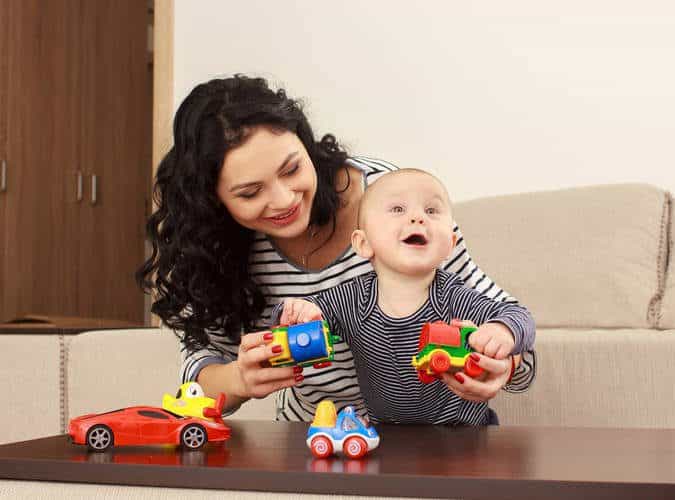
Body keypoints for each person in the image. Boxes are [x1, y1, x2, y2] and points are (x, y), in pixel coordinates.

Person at [136, 75, 536, 421]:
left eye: (291, 168)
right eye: (250, 192)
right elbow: (198, 376)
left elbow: (511, 334)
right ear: (215, 201)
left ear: (306, 145)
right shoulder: (219, 245)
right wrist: (241, 379)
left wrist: (500, 361)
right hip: (314, 438)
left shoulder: (397, 202)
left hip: (431, 440)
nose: (283, 199)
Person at [273, 169, 535, 425]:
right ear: (363, 243)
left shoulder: (455, 298)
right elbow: (307, 311)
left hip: (463, 437)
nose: (417, 218)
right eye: (398, 209)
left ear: (450, 245)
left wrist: (502, 331)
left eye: (431, 211)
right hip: (389, 439)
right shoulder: (352, 300)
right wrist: (298, 310)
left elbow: (519, 316)